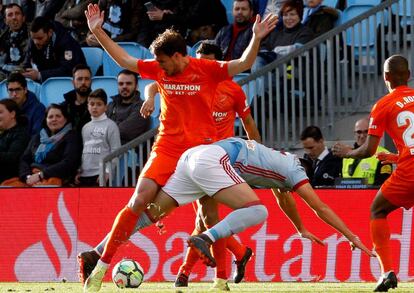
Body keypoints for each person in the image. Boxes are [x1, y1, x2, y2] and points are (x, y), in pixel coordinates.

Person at [80, 3, 278, 291]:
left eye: (162, 62)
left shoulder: (207, 70)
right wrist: (98, 31)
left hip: (204, 153)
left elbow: (244, 64)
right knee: (138, 201)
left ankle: (221, 280)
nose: (158, 67)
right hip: (167, 148)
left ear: (177, 56)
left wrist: (256, 37)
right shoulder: (160, 70)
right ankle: (100, 269)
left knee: (211, 217)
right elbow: (124, 60)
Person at [85, 137, 375, 292]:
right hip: (212, 162)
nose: (299, 188)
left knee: (149, 215)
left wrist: (300, 229)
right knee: (257, 211)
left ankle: (99, 253)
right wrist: (351, 235)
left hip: (192, 158)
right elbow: (318, 206)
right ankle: (206, 239)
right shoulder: (296, 171)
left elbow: (285, 199)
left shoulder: (280, 164)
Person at [142, 40, 262, 289]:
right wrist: (150, 98)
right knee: (207, 220)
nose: (196, 65)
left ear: (215, 63)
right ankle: (235, 256)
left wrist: (256, 155)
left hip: (220, 158)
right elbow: (154, 85)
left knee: (207, 219)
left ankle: (199, 275)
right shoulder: (187, 81)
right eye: (195, 59)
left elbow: (249, 124)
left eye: (204, 60)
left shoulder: (232, 90)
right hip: (194, 156)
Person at [332, 55, 414, 292]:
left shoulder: (384, 105)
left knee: (378, 210)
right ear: (408, 76)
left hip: (409, 171)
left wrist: (348, 152)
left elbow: (368, 150)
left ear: (385, 77)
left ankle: (387, 271)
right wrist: (395, 157)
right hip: (406, 162)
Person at [4, 103, 81, 187]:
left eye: (58, 116)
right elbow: (24, 159)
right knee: (8, 186)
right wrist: (27, 176)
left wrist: (41, 175)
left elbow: (69, 162)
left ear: (66, 119)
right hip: (31, 176)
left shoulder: (72, 136)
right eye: (50, 117)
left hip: (55, 177)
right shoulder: (38, 137)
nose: (54, 119)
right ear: (46, 120)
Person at [76, 89, 121, 187]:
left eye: (99, 104)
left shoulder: (111, 125)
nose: (95, 107)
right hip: (85, 174)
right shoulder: (85, 127)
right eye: (92, 104)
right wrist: (80, 170)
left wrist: (107, 171)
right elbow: (84, 151)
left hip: (100, 174)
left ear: (105, 107)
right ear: (88, 106)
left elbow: (115, 151)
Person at [23, 16, 86, 82]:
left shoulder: (67, 43)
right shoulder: (35, 38)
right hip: (46, 80)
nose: (36, 42)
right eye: (33, 38)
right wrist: (23, 71)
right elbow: (27, 62)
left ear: (50, 32)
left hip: (70, 82)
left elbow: (68, 69)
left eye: (40, 38)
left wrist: (40, 75)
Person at [341, 117, 392, 186]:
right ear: (354, 134)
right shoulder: (346, 154)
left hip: (370, 196)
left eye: (366, 132)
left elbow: (383, 185)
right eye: (359, 132)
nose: (362, 136)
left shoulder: (384, 155)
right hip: (346, 195)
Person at [106, 69, 150, 145]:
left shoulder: (142, 107)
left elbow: (125, 131)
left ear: (136, 86)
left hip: (129, 153)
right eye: (121, 84)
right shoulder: (111, 105)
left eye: (128, 83)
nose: (124, 86)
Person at [0, 98, 30, 185]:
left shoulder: (21, 134)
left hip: (10, 180)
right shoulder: (3, 134)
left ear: (12, 114)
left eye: (0, 112)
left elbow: (12, 158)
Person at [6, 72, 45, 136]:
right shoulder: (5, 108)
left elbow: (36, 137)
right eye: (11, 90)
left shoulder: (38, 109)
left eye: (18, 89)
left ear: (25, 90)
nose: (14, 94)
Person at [0, 3, 30, 80]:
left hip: (26, 76)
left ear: (23, 18)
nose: (14, 17)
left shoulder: (33, 34)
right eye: (10, 15)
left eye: (17, 14)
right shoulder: (2, 37)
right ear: (5, 21)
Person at [61, 64, 92, 135]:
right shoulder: (64, 107)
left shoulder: (98, 106)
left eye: (87, 79)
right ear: (73, 82)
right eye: (79, 79)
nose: (83, 82)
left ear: (91, 81)